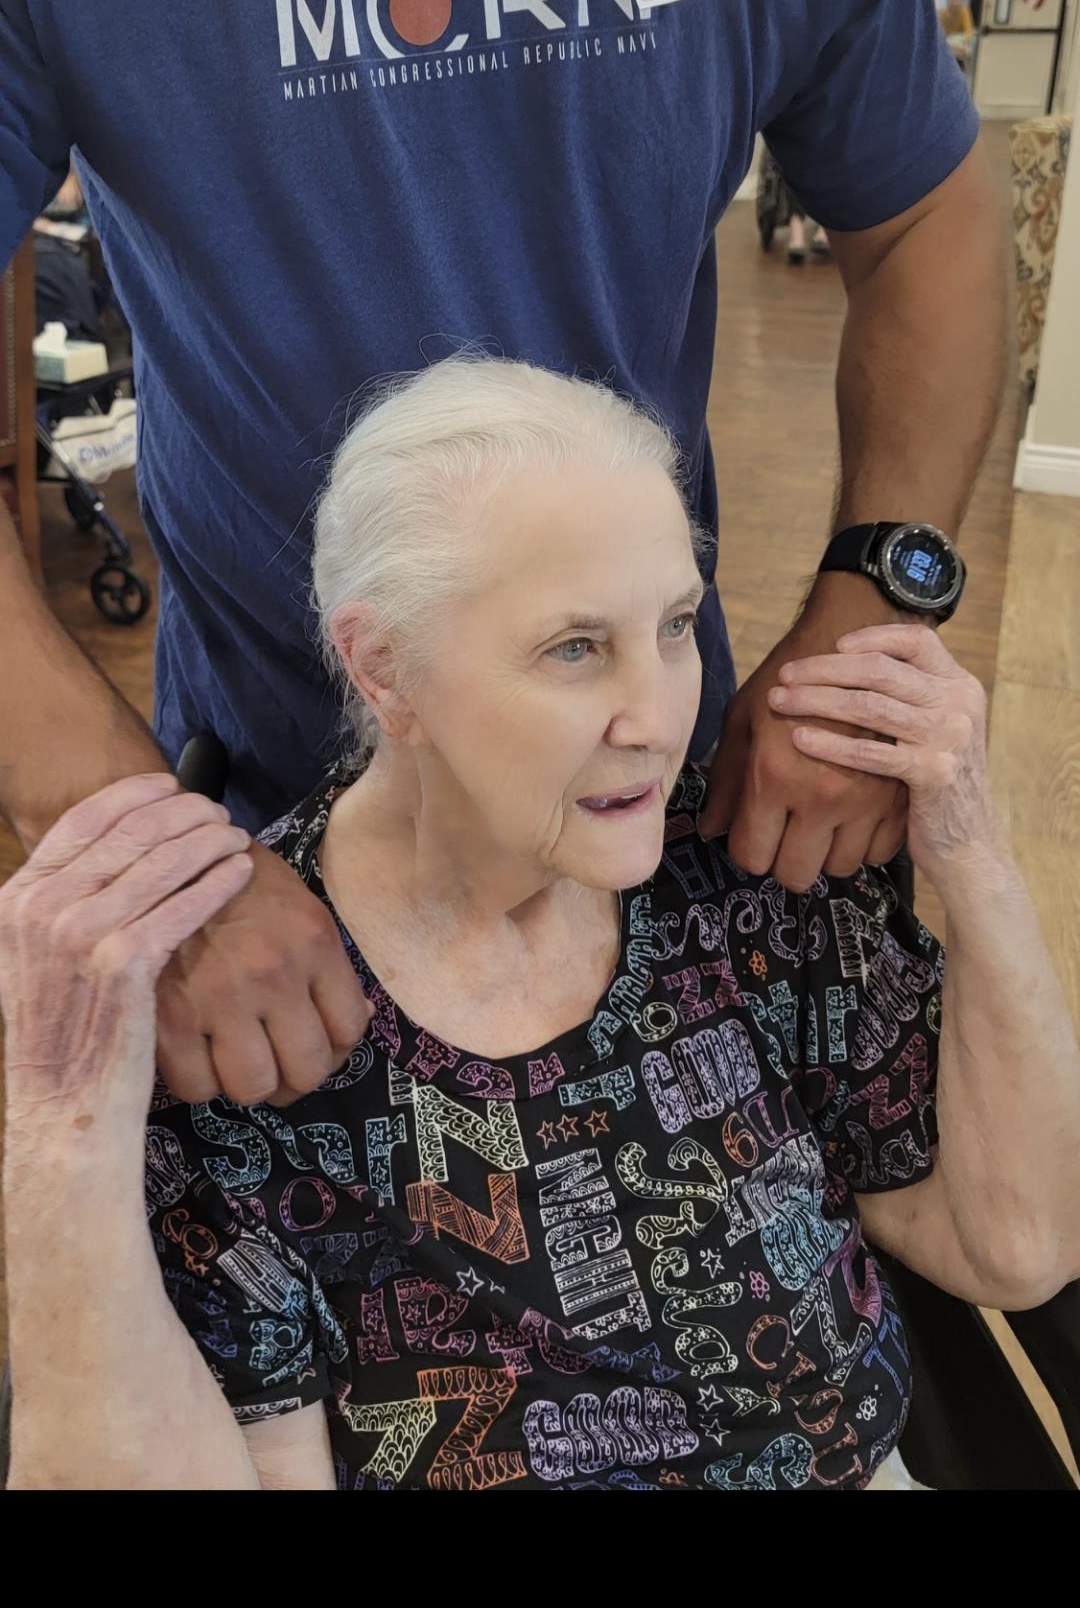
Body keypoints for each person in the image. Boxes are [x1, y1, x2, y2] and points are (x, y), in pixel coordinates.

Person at [0, 0, 1007, 1110]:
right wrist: (123, 831)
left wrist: (875, 614)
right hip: (272, 824)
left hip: (654, 790)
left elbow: (927, 218)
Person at [3, 360, 1077, 1493]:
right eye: (574, 648)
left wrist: (975, 854)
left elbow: (1016, 1245)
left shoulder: (747, 892)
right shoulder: (255, 1030)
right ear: (384, 669)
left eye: (673, 626)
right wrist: (54, 1132)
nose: (659, 719)